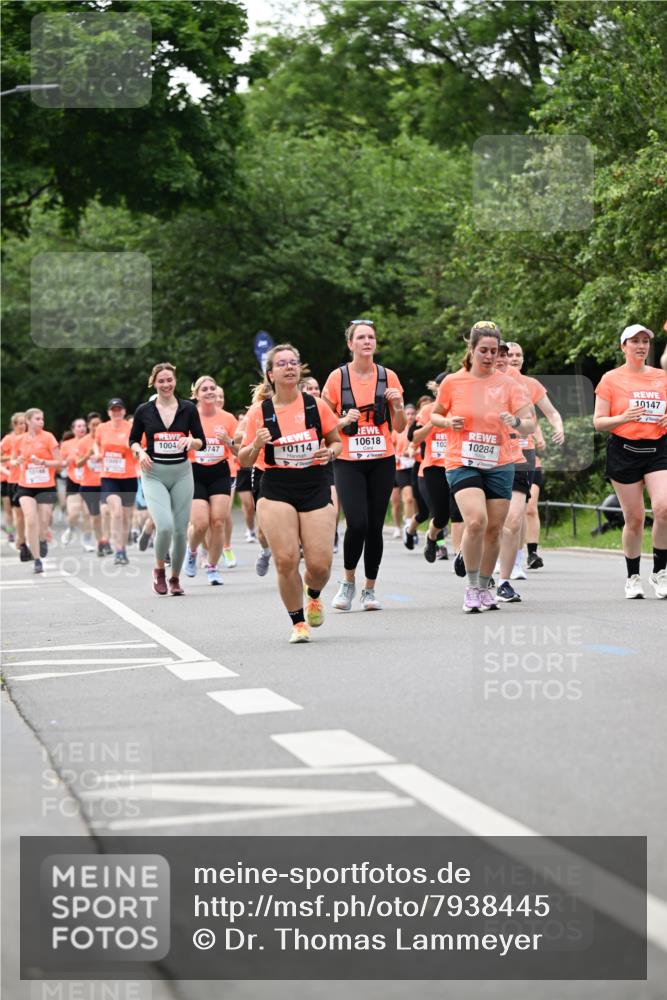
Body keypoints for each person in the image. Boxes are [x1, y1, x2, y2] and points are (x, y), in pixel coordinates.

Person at [238, 343, 341, 643]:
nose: (289, 367)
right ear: (270, 374)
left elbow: (336, 441)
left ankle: (314, 594)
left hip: (314, 483)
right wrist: (256, 444)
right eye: (282, 363)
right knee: (285, 559)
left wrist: (330, 453)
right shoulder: (260, 412)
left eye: (293, 362)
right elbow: (243, 459)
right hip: (276, 486)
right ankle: (298, 623)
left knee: (320, 566)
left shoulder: (315, 406)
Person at [430, 321, 534, 613]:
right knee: (476, 521)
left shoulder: (510, 385)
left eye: (494, 351)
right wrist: (448, 422)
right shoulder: (453, 382)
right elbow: (435, 416)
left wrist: (516, 422)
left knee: (494, 529)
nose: (489, 356)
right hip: (461, 460)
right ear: (472, 349)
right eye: (483, 350)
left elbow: (529, 424)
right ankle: (472, 586)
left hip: (499, 461)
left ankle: (487, 586)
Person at [323, 319, 406, 611]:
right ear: (351, 344)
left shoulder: (388, 376)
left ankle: (369, 589)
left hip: (382, 458)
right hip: (349, 460)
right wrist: (343, 420)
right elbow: (323, 424)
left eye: (371, 337)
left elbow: (400, 426)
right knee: (357, 522)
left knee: (374, 525)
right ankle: (348, 581)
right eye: (361, 337)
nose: (367, 341)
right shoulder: (337, 378)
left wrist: (398, 405)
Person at [593, 323, 667, 599]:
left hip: (658, 449)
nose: (641, 346)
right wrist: (623, 418)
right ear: (623, 346)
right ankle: (633, 577)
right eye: (635, 341)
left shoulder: (661, 377)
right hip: (624, 451)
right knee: (634, 519)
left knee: (664, 508)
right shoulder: (611, 379)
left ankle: (660, 572)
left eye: (645, 341)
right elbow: (599, 422)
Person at [130, 362, 205, 596]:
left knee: (181, 531)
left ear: (175, 381)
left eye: (169, 380)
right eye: (161, 381)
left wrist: (191, 442)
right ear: (153, 383)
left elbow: (201, 441)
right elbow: (133, 440)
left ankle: (175, 578)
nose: (166, 384)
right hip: (154, 473)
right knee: (164, 526)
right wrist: (140, 452)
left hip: (182, 473)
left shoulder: (188, 408)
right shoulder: (144, 410)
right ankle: (159, 570)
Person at [184, 376, 238, 586]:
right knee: (200, 523)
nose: (209, 392)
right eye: (204, 389)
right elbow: (177, 443)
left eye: (212, 388)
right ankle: (192, 551)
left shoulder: (228, 418)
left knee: (218, 522)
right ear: (196, 394)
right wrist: (187, 443)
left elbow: (238, 450)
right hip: (195, 472)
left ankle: (212, 567)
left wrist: (228, 441)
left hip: (219, 471)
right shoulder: (188, 416)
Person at [11, 408, 61, 574]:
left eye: (42, 419)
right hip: (26, 485)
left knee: (44, 521)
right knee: (30, 519)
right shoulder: (19, 440)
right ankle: (37, 559)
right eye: (37, 419)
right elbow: (12, 461)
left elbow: (60, 462)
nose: (41, 422)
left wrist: (43, 463)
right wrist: (17, 461)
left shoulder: (48, 437)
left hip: (46, 485)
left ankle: (42, 538)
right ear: (28, 421)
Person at [94, 398, 137, 565]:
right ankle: (117, 549)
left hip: (129, 476)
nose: (116, 412)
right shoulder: (102, 428)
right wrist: (98, 453)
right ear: (109, 412)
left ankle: (122, 549)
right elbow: (96, 444)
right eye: (113, 410)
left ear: (124, 411)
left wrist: (132, 449)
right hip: (109, 476)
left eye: (119, 409)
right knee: (116, 512)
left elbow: (139, 447)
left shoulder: (131, 427)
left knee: (126, 517)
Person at [412, 380, 450, 563]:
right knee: (440, 515)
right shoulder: (427, 410)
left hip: (459, 465)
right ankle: (431, 536)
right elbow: (414, 438)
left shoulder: (462, 408)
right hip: (433, 468)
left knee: (464, 514)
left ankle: (462, 555)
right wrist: (433, 423)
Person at [76, 412, 109, 556]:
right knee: (95, 517)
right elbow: (77, 463)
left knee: (106, 512)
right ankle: (100, 542)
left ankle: (106, 540)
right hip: (89, 485)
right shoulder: (83, 442)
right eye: (93, 425)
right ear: (88, 426)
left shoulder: (107, 439)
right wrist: (88, 455)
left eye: (98, 424)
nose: (96, 427)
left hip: (106, 481)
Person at [59, 418, 90, 546]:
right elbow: (61, 462)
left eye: (84, 426)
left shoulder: (92, 441)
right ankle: (70, 528)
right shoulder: (66, 444)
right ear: (73, 429)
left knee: (88, 513)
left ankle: (87, 541)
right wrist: (66, 462)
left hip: (89, 480)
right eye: (79, 426)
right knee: (74, 513)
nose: (82, 428)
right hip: (73, 480)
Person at [2, 412, 28, 558]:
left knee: (28, 512)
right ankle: (15, 534)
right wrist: (12, 459)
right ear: (14, 425)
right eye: (20, 423)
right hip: (12, 479)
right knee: (14, 511)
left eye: (25, 423)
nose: (23, 426)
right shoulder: (8, 439)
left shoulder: (31, 438)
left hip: (29, 480)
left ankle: (25, 537)